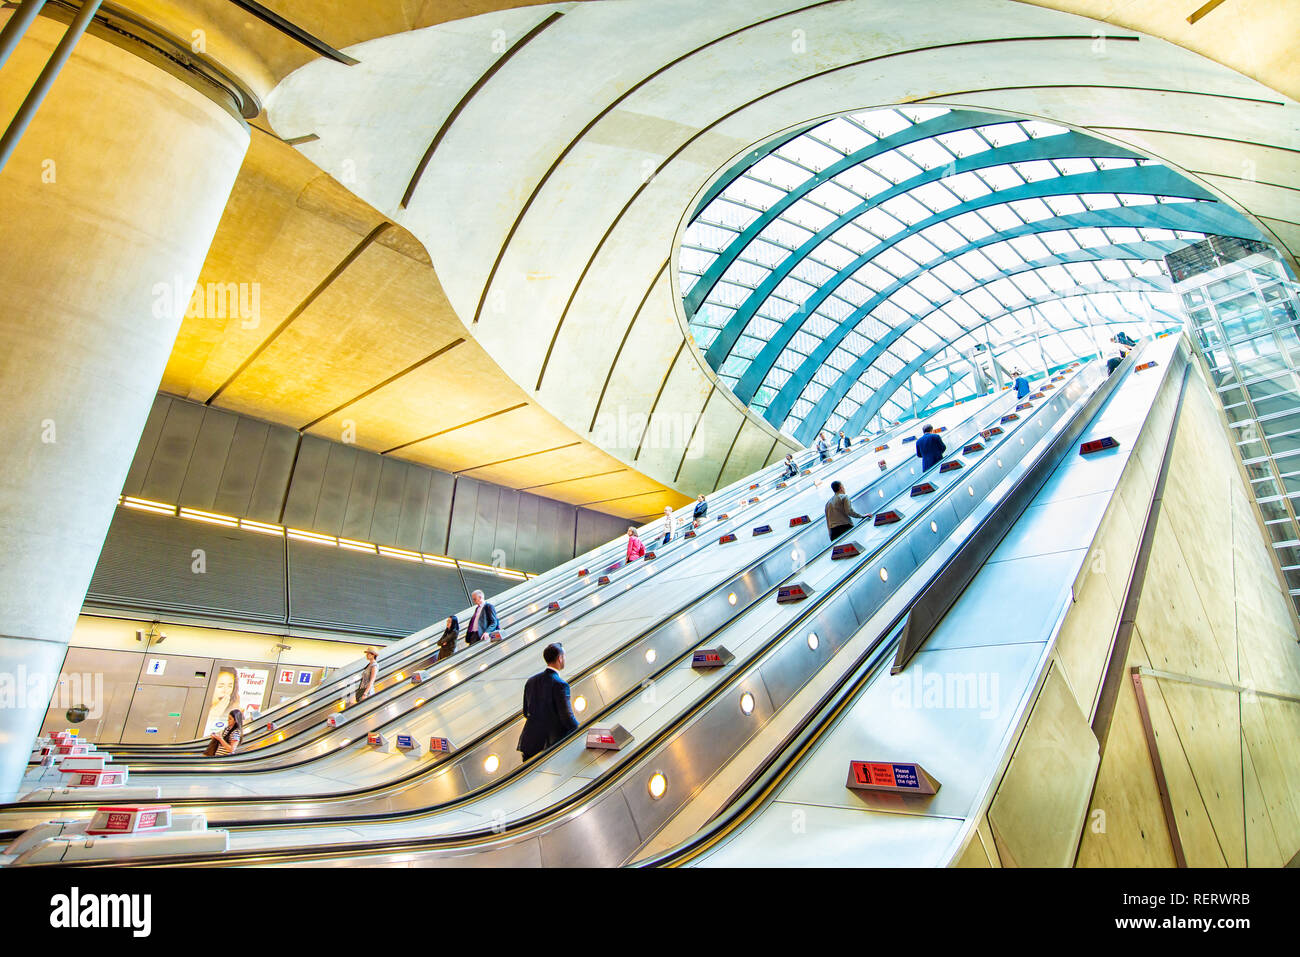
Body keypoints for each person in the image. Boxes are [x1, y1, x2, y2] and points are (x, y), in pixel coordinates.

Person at [517, 643, 579, 761]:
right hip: (549, 744)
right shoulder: (560, 685)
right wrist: (581, 731)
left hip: (529, 743)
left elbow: (526, 712)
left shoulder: (531, 681)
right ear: (560, 658)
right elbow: (567, 718)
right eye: (564, 656)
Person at [203, 667, 241, 736]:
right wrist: (213, 715)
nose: (226, 691)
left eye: (230, 686)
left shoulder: (234, 707)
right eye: (220, 686)